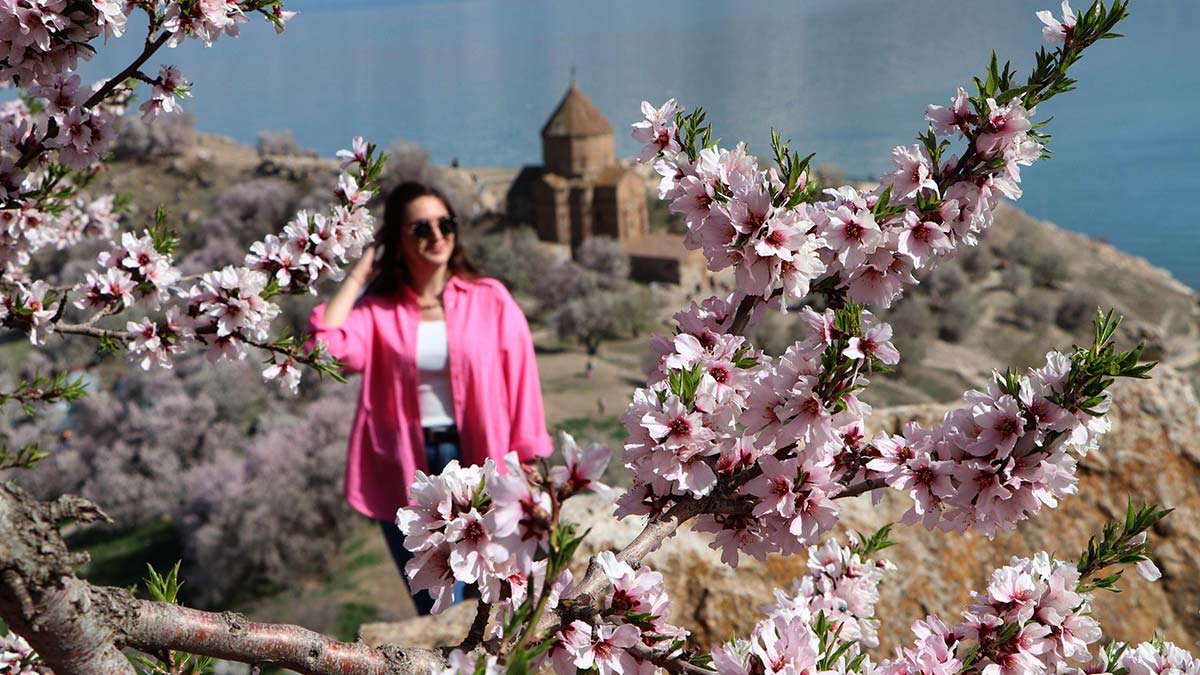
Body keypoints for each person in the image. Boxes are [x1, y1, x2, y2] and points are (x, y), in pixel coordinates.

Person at [307, 181, 553, 615]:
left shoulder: (489, 298)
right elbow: (323, 349)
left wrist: (529, 458)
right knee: (436, 600)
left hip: (484, 459)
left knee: (495, 593)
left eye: (445, 223)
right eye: (420, 228)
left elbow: (522, 379)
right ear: (396, 241)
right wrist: (360, 274)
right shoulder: (377, 311)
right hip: (407, 467)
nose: (436, 235)